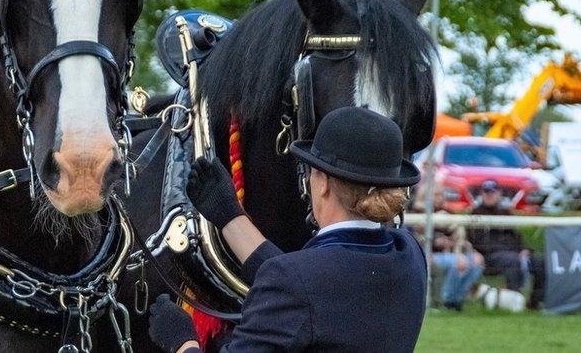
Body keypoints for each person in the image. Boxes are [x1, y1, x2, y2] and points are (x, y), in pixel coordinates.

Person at [148, 107, 426, 353]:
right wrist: (231, 218)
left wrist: (183, 342)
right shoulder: (411, 254)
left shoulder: (296, 281)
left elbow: (302, 285)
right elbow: (314, 287)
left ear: (323, 183)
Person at [468, 179, 546, 310]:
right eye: (486, 192)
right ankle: (514, 302)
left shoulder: (505, 213)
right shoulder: (475, 214)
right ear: (481, 194)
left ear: (499, 193)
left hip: (512, 253)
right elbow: (475, 241)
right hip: (489, 256)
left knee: (539, 262)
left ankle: (535, 303)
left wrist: (525, 249)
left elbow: (516, 237)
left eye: (493, 192)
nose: (489, 195)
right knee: (512, 260)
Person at [410, 190, 485, 311]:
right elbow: (415, 239)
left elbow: (460, 236)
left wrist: (459, 249)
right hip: (427, 253)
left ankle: (457, 299)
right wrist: (436, 241)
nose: (439, 198)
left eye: (441, 194)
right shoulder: (417, 214)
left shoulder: (449, 213)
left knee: (477, 261)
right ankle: (447, 300)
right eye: (435, 194)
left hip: (454, 252)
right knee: (459, 262)